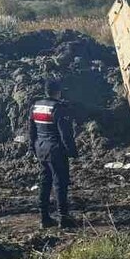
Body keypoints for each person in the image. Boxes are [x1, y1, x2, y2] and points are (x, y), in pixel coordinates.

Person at [29, 78, 79, 228]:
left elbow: (31, 131)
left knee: (44, 183)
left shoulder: (35, 106)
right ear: (58, 92)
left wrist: (33, 148)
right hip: (56, 151)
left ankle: (44, 218)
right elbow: (65, 134)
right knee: (60, 183)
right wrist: (72, 152)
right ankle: (63, 217)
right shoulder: (58, 108)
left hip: (41, 150)